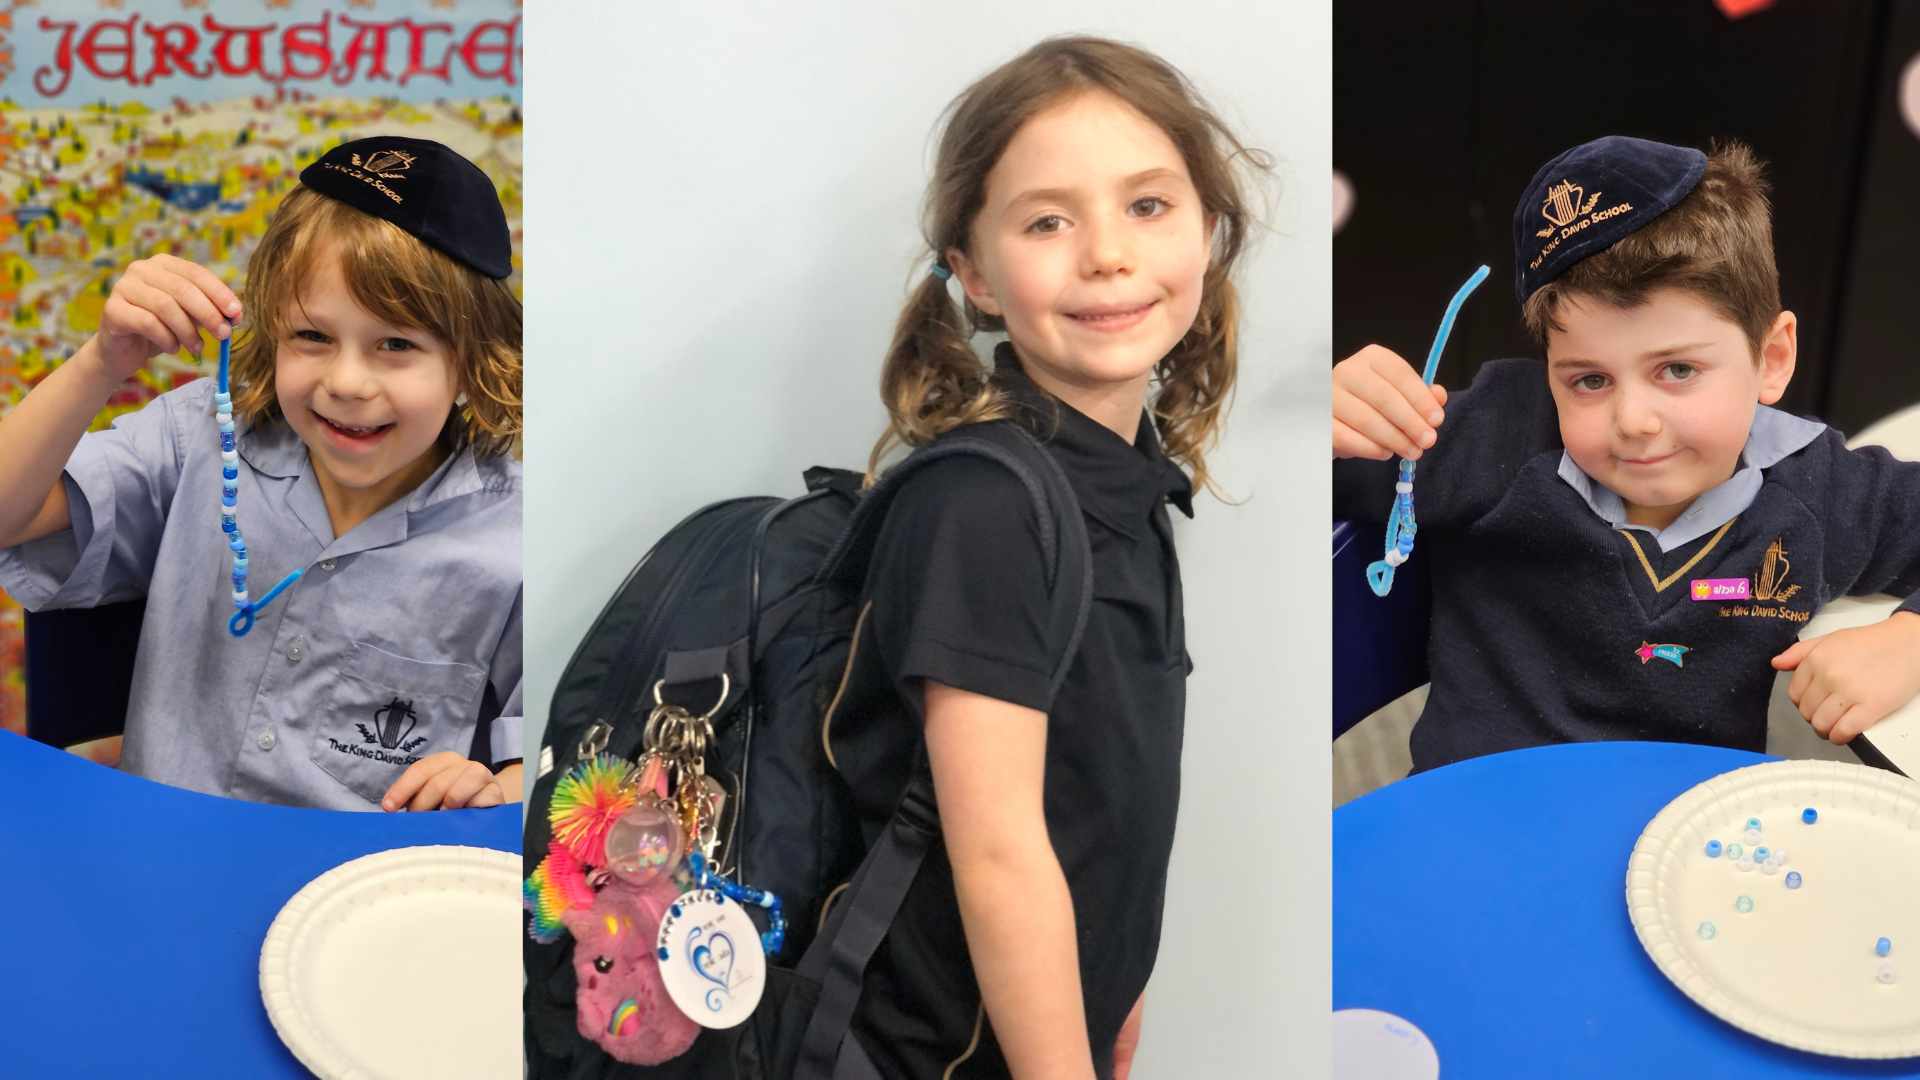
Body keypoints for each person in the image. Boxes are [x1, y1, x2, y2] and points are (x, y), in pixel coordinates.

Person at [823, 36, 1262, 1079]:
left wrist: (1116, 981)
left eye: (1147, 206)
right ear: (972, 274)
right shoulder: (985, 506)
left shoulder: (1126, 483)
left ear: (1210, 230)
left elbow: (1105, 785)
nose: (1105, 252)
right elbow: (1000, 850)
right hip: (929, 1054)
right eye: (1048, 220)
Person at [1333, 135, 1920, 773]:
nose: (1634, 422)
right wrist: (1323, 421)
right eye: (1589, 380)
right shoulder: (1489, 435)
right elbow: (1260, 491)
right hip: (1475, 821)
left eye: (1677, 370)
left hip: (1689, 837)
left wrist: (1910, 643)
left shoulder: (1820, 489)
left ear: (1772, 358)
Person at [0, 136, 524, 811]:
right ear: (271, 330)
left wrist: (493, 785)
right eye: (312, 336)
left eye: (397, 344)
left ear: (473, 363)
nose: (347, 382)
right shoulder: (200, 438)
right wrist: (101, 361)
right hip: (164, 855)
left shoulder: (513, 538)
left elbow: (547, 758)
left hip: (358, 891)